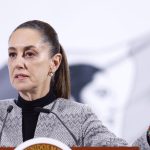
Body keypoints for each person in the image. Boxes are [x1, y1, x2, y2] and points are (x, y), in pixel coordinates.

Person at [0, 20, 149, 149]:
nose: (18, 63)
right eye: (13, 54)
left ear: (54, 62)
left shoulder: (79, 117)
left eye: (30, 54)